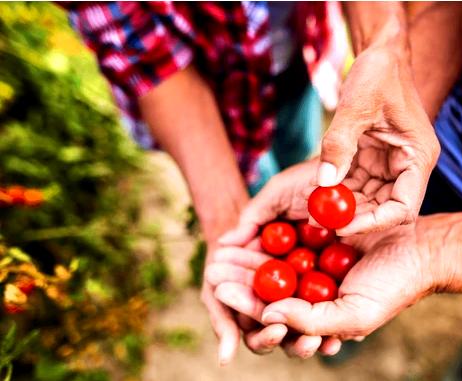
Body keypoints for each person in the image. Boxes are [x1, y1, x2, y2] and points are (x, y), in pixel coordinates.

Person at [208, 1, 462, 377]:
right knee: (375, 245)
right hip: (438, 148)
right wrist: (398, 115)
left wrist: (436, 251)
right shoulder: (391, 176)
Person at [62, 1, 347, 366]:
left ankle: (300, 231)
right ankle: (268, 221)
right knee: (258, 189)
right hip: (214, 96)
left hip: (301, 54)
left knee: (300, 153)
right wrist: (223, 214)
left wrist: (383, 48)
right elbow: (139, 49)